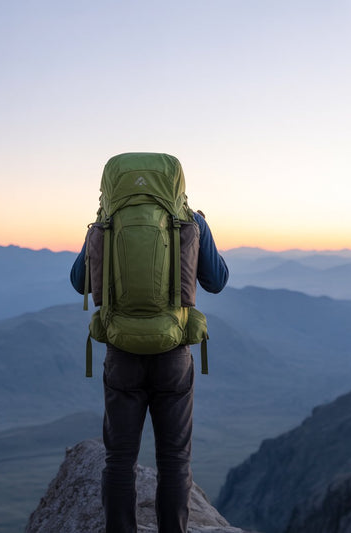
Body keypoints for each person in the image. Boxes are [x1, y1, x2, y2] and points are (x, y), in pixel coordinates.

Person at [70, 185, 228, 533]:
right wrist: (199, 232)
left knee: (119, 460)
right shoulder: (190, 222)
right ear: (175, 184)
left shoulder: (106, 222)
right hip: (173, 354)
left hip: (121, 353)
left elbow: (78, 281)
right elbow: (217, 281)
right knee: (174, 460)